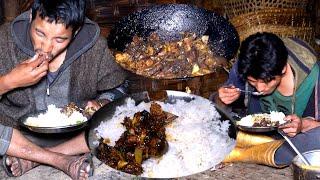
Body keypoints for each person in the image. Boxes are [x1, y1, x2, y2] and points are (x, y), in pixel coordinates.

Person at [0, 0, 127, 178]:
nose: (46, 47)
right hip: (16, 138)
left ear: (75, 32)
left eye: (59, 39)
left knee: (124, 118)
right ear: (30, 17)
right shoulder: (4, 40)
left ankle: (34, 159)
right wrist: (9, 81)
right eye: (40, 33)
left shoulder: (95, 46)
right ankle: (61, 160)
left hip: (77, 138)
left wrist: (103, 102)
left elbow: (119, 89)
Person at [217, 32, 320, 167]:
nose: (260, 88)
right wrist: (224, 96)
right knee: (213, 110)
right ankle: (256, 145)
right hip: (258, 132)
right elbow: (224, 102)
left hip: (293, 139)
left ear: (283, 69)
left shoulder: (313, 76)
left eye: (266, 81)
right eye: (253, 82)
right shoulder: (248, 63)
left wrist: (303, 124)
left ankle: (245, 153)